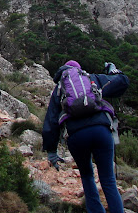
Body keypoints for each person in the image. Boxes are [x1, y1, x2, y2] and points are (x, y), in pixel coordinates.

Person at [42, 60, 129, 213]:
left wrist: (51, 151)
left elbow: (51, 121)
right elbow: (122, 82)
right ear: (79, 69)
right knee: (108, 180)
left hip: (76, 135)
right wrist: (112, 69)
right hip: (101, 130)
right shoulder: (92, 79)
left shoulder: (59, 88)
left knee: (87, 175)